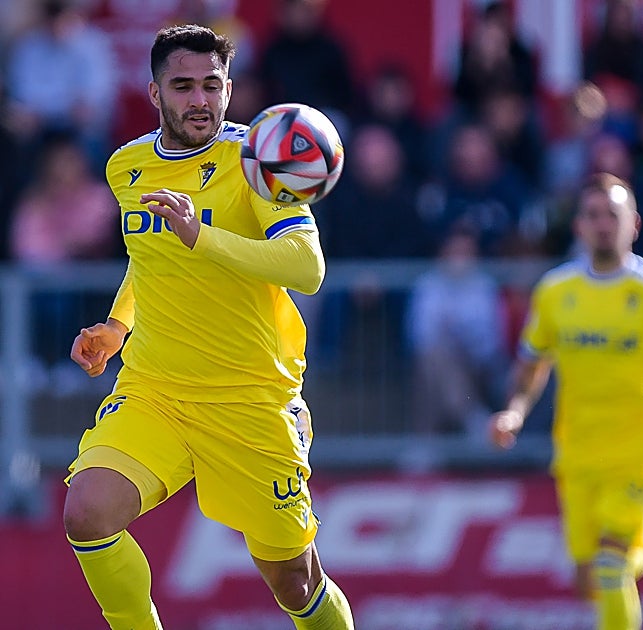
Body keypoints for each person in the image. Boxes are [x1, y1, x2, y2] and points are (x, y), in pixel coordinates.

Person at [63, 25, 353, 629]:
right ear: (154, 92)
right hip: (156, 391)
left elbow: (307, 267)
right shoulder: (128, 167)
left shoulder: (256, 162)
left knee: (295, 584)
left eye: (212, 86)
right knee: (86, 513)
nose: (200, 100)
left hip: (250, 398)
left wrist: (204, 236)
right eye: (184, 85)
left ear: (229, 88)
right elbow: (149, 259)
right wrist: (119, 325)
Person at [489, 172, 643, 630]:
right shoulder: (556, 292)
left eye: (612, 214)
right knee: (589, 581)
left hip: (640, 447)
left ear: (634, 223)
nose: (602, 224)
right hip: (577, 451)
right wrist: (514, 411)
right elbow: (534, 364)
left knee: (611, 570)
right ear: (579, 226)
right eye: (592, 215)